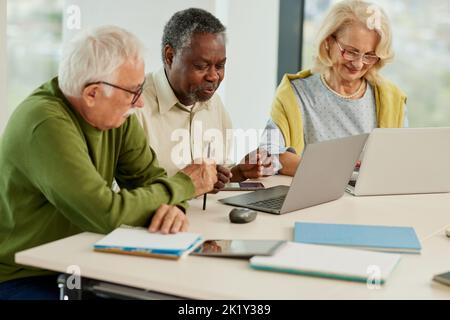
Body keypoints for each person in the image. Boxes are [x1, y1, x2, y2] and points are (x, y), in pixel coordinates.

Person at [0, 26, 217, 300]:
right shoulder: (44, 123)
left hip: (87, 261)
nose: (138, 104)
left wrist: (175, 207)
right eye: (133, 92)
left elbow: (153, 181)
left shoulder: (115, 117)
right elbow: (107, 213)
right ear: (92, 93)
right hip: (27, 275)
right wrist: (185, 185)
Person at [260, 0, 408, 176]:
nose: (358, 63)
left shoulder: (391, 98)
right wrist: (336, 171)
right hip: (315, 197)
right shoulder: (295, 93)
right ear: (328, 41)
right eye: (351, 51)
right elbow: (268, 155)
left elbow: (400, 160)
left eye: (369, 55)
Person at [135, 8, 273, 191]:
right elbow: (123, 193)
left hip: (206, 217)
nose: (214, 76)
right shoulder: (134, 106)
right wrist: (185, 185)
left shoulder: (213, 104)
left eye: (220, 66)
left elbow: (214, 173)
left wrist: (236, 172)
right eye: (201, 66)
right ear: (170, 56)